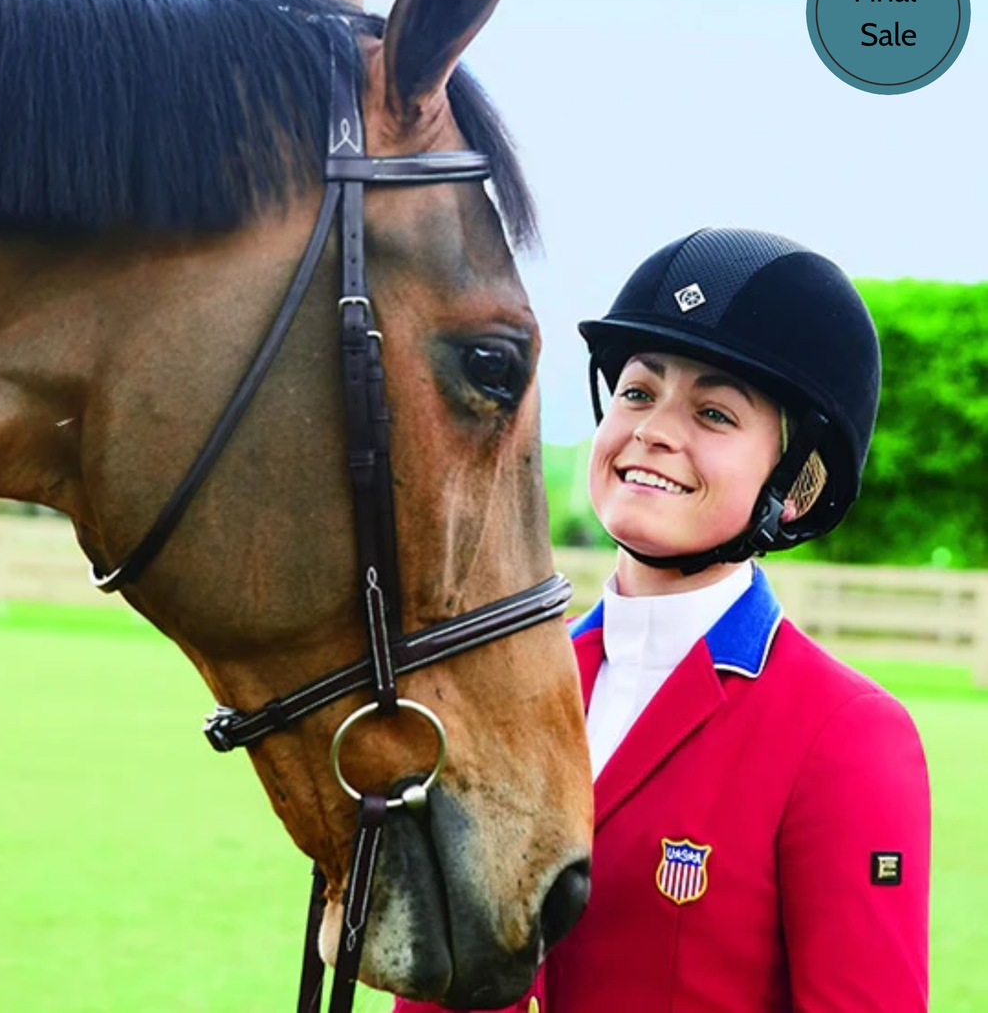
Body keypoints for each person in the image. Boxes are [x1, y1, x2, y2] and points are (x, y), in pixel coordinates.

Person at [394, 228, 930, 1012]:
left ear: (799, 483)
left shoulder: (847, 736)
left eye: (714, 413)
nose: (652, 429)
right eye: (639, 393)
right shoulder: (501, 691)